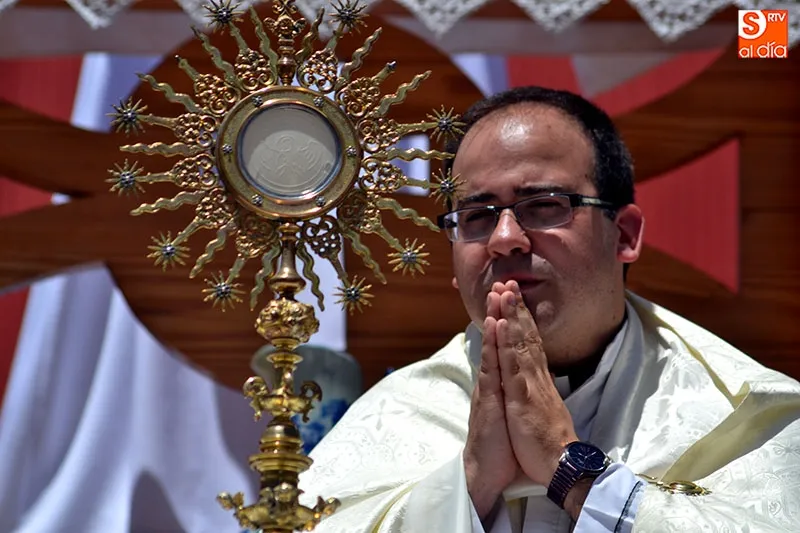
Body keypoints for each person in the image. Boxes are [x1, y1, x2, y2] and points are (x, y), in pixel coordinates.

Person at [298, 86, 800, 532]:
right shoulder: (400, 413)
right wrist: (470, 480)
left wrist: (574, 473)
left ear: (623, 235)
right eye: (476, 216)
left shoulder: (744, 410)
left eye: (543, 206)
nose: (505, 239)